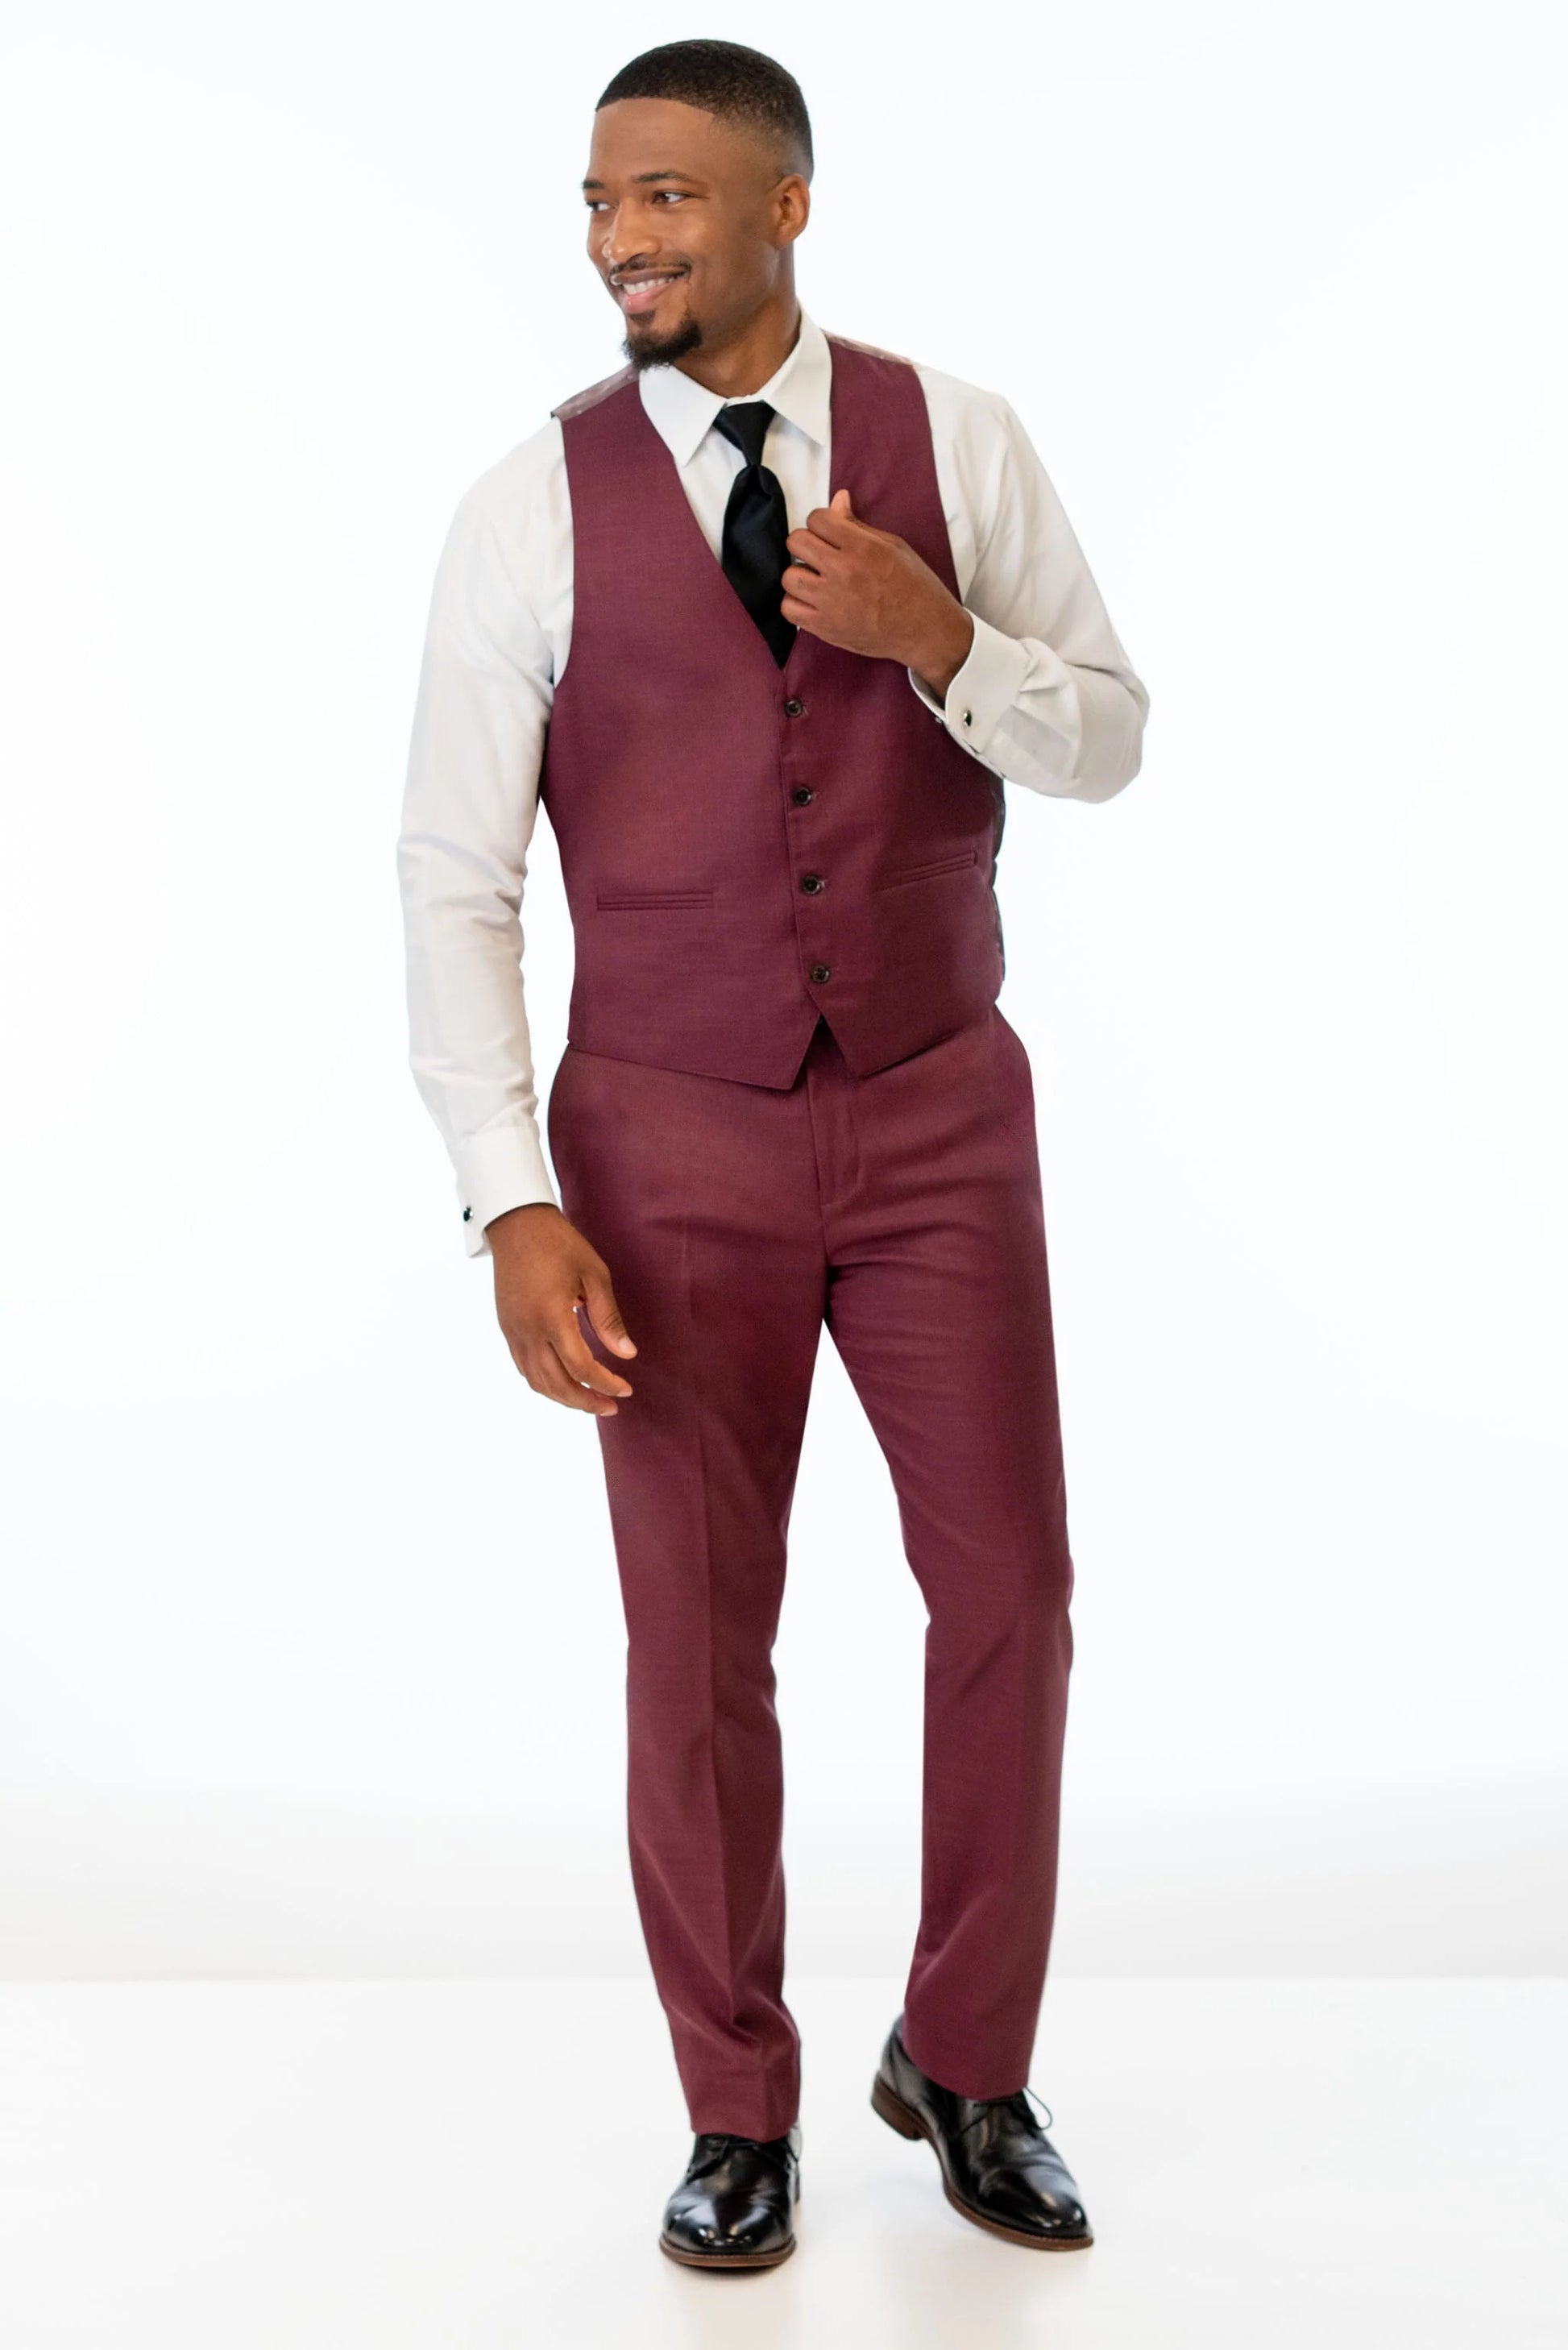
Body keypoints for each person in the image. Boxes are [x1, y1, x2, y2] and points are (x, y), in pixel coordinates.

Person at [397, 35, 1148, 2271]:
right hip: (661, 1145)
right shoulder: (527, 505)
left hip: (938, 1111)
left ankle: (969, 2060)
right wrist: (510, 1195)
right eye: (597, 201)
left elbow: (1109, 736)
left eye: (665, 197)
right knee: (700, 1636)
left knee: (1009, 1590)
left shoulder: (958, 438)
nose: (620, 239)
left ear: (782, 208)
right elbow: (453, 872)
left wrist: (945, 642)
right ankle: (736, 2105)